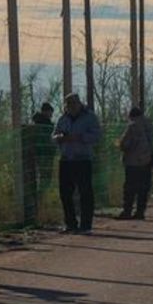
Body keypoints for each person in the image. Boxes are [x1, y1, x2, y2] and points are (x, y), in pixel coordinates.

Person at [55, 92, 102, 232]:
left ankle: (86, 225)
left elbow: (97, 135)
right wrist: (60, 138)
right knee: (65, 194)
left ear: (79, 103)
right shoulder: (62, 119)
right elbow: (54, 135)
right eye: (68, 104)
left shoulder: (89, 117)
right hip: (66, 159)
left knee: (85, 193)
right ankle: (70, 224)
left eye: (73, 103)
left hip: (83, 159)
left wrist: (80, 137)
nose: (70, 106)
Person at [117, 103, 153, 220]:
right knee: (143, 188)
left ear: (131, 115)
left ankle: (127, 210)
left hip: (133, 162)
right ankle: (140, 211)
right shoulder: (149, 125)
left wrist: (120, 145)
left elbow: (125, 144)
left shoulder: (132, 126)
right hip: (147, 160)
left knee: (130, 188)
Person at [30, 100, 56, 203]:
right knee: (44, 177)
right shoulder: (43, 125)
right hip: (43, 153)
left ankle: (41, 199)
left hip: (46, 153)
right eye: (50, 112)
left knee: (45, 178)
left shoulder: (46, 125)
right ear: (45, 112)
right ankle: (40, 199)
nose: (51, 115)